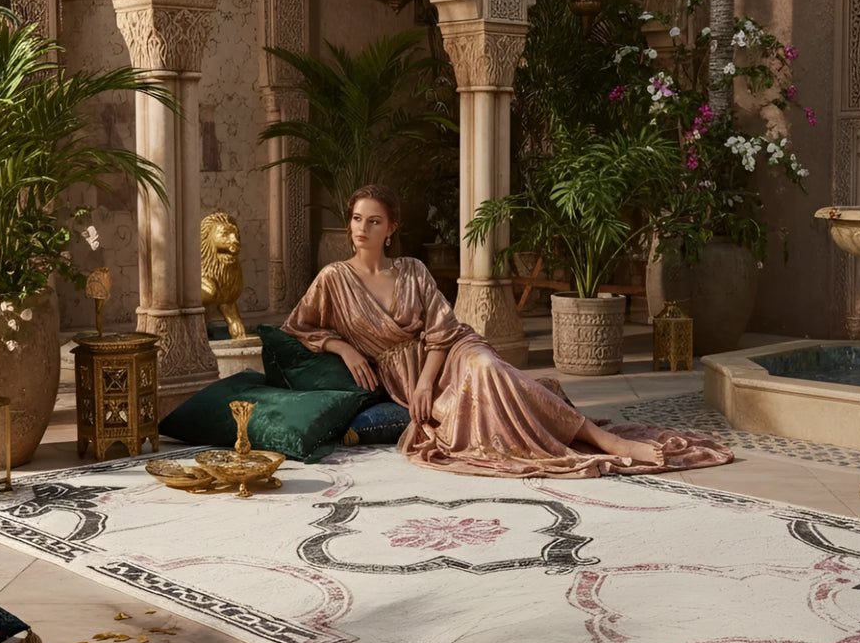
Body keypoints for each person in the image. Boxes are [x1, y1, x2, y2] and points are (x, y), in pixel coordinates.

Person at [283, 184, 734, 479]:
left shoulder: (412, 269)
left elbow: (442, 329)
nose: (362, 229)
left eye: (374, 221)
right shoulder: (333, 279)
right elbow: (298, 325)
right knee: (479, 400)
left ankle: (606, 440)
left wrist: (425, 380)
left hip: (447, 353)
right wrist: (344, 348)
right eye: (357, 219)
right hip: (403, 374)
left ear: (391, 228)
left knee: (484, 366)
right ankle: (578, 433)